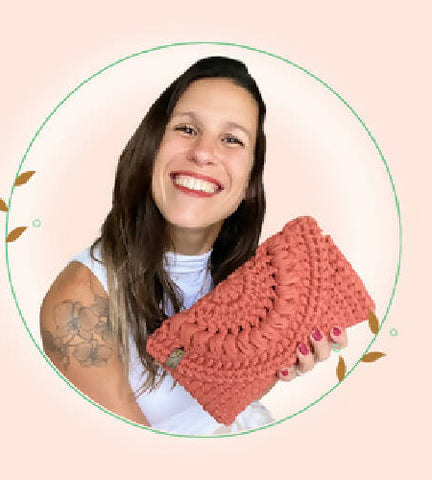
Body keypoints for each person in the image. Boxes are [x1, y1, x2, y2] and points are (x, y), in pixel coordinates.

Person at [40, 56, 348, 435]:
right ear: (151, 148)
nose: (203, 152)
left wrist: (267, 366)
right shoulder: (82, 302)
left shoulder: (252, 280)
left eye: (232, 140)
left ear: (249, 182)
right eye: (187, 129)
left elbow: (218, 410)